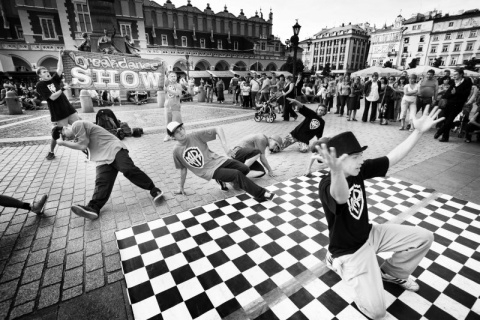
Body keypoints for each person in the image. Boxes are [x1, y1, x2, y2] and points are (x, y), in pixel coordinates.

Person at [319, 105, 443, 319]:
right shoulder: (328, 183)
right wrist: (337, 173)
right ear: (339, 160)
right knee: (377, 312)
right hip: (350, 250)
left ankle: (391, 273)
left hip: (370, 234)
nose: (361, 160)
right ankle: (335, 262)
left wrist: (418, 131)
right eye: (356, 156)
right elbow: (340, 196)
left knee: (424, 237)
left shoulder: (359, 169)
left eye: (361, 155)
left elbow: (393, 157)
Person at [53, 121, 163, 220]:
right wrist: (66, 142)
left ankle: (154, 189)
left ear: (64, 129)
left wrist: (62, 143)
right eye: (64, 139)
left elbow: (83, 145)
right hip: (102, 158)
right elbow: (84, 146)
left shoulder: (76, 125)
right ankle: (93, 208)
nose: (67, 140)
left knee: (128, 169)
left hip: (112, 148)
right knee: (102, 182)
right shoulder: (76, 136)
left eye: (64, 136)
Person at [167, 122, 275, 201]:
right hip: (207, 170)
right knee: (237, 174)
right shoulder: (176, 151)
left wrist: (225, 147)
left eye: (181, 128)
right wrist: (181, 187)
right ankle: (261, 194)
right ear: (172, 137)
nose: (181, 132)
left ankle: (222, 179)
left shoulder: (194, 136)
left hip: (218, 160)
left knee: (245, 169)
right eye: (177, 132)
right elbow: (183, 169)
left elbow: (218, 128)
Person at [36, 50, 80, 160]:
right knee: (56, 135)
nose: (47, 72)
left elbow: (59, 69)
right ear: (40, 75)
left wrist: (59, 56)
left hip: (68, 109)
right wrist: (63, 89)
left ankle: (88, 143)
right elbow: (52, 97)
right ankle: (51, 152)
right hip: (58, 113)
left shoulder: (54, 80)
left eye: (46, 70)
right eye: (44, 72)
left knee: (81, 125)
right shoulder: (40, 85)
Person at [434, 69, 473, 142]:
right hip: (448, 105)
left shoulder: (467, 82)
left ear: (461, 74)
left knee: (449, 121)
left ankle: (440, 131)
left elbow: (465, 95)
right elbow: (446, 94)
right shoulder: (453, 82)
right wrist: (452, 94)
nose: (453, 76)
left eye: (456, 74)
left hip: (457, 105)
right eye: (453, 74)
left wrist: (456, 93)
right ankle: (445, 138)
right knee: (446, 121)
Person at [163, 71, 183, 142]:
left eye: (174, 76)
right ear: (168, 78)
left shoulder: (178, 85)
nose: (173, 77)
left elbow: (178, 94)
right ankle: (168, 135)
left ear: (177, 77)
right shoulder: (166, 85)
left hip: (176, 106)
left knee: (176, 122)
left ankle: (175, 135)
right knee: (168, 122)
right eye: (171, 76)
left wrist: (168, 90)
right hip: (168, 106)